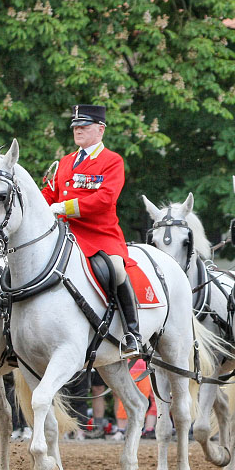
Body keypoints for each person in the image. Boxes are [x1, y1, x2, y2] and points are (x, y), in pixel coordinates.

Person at [42, 104, 141, 357]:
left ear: (101, 129)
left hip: (100, 235)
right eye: (75, 126)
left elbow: (105, 199)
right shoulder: (65, 162)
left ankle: (132, 332)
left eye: (84, 126)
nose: (78, 130)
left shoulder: (111, 161)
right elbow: (49, 194)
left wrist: (63, 207)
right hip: (65, 235)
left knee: (116, 268)